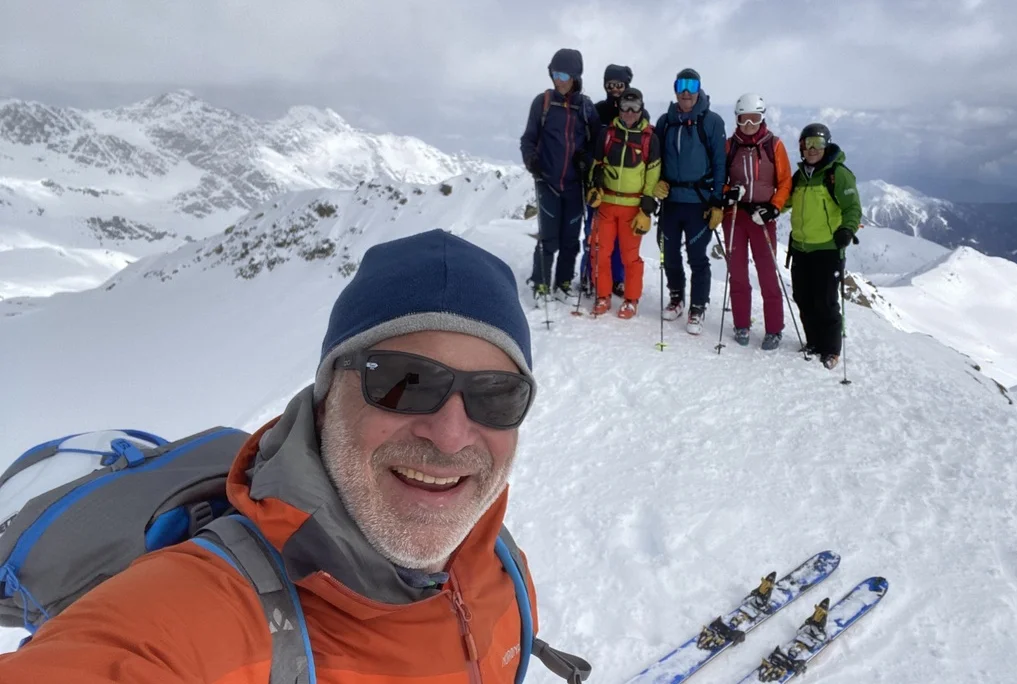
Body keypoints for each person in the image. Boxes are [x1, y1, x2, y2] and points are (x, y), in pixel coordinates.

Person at [0, 229, 590, 683]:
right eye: (406, 383)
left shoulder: (498, 562)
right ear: (328, 398)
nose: (452, 434)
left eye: (496, 394)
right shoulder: (205, 612)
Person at [519, 48, 601, 302]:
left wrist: (585, 159)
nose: (559, 79)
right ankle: (541, 283)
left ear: (575, 76)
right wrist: (531, 160)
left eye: (564, 74)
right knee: (548, 237)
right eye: (555, 73)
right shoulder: (543, 103)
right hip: (547, 181)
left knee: (570, 239)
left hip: (575, 184)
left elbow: (596, 143)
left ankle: (563, 283)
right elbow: (528, 138)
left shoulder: (585, 107)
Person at [654, 68, 727, 335]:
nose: (686, 92)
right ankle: (677, 297)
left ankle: (698, 306)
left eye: (691, 85)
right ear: (675, 89)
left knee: (697, 257)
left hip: (699, 201)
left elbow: (720, 163)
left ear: (699, 89)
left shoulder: (712, 122)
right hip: (671, 199)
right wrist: (657, 182)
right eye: (681, 85)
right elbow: (656, 157)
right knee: (669, 253)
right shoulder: (666, 121)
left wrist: (717, 201)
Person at [783, 123, 862, 369]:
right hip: (801, 248)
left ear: (827, 145)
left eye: (818, 143)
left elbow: (852, 207)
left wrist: (847, 229)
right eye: (808, 143)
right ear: (801, 147)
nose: (813, 148)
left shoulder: (836, 173)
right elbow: (784, 201)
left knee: (826, 300)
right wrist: (766, 210)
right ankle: (814, 342)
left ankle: (831, 349)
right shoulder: (800, 177)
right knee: (803, 297)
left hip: (828, 248)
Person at [720, 93, 792, 350]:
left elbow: (785, 183)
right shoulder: (729, 147)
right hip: (735, 216)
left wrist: (774, 208)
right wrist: (729, 191)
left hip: (762, 218)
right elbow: (720, 179)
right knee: (737, 273)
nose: (749, 125)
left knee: (767, 274)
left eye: (754, 119)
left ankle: (774, 329)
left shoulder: (774, 145)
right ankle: (741, 323)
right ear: (737, 120)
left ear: (762, 118)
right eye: (743, 119)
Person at [585, 87, 661, 319]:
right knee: (600, 251)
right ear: (618, 108)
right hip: (606, 204)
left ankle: (631, 298)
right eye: (625, 107)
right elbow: (597, 163)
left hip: (632, 206)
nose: (629, 112)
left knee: (630, 256)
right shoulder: (608, 134)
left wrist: (647, 207)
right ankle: (603, 294)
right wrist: (594, 184)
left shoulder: (650, 138)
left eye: (634, 107)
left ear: (641, 108)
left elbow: (653, 173)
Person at [580, 64, 633, 298]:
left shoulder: (634, 111)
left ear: (626, 85)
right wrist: (587, 167)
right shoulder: (597, 111)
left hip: (624, 185)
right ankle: (588, 275)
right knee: (594, 233)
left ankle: (617, 279)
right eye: (610, 84)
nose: (614, 89)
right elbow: (586, 142)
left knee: (621, 236)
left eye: (619, 84)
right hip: (597, 182)